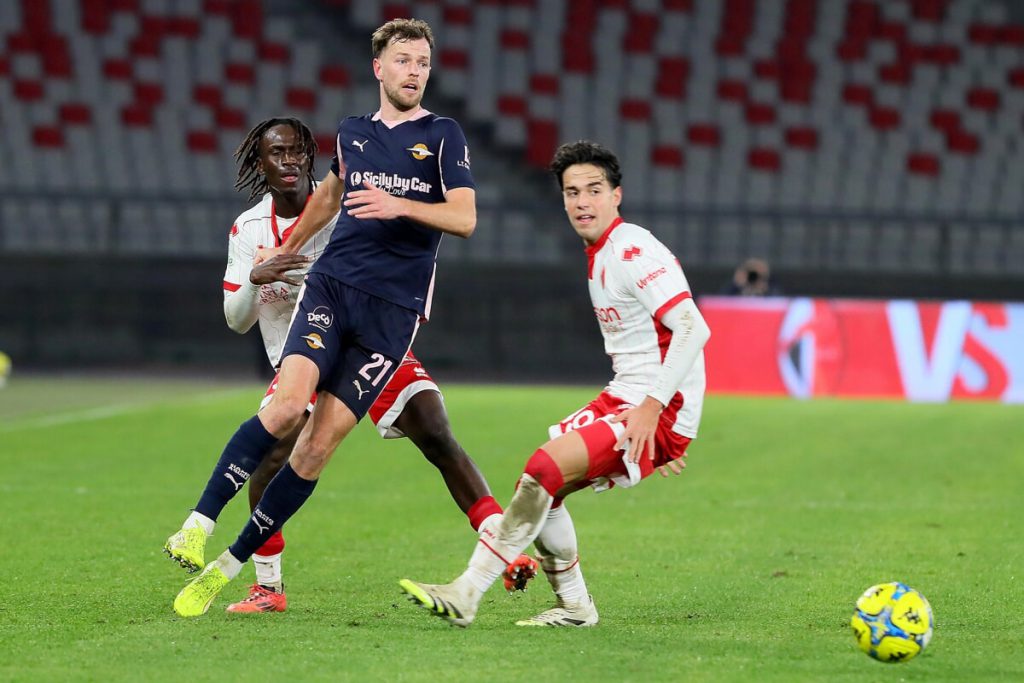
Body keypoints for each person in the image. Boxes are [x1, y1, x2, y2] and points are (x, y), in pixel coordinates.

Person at [167, 18, 531, 617]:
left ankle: (229, 567)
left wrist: (398, 204)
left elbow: (465, 218)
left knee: (327, 449)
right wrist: (287, 249)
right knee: (285, 413)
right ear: (379, 68)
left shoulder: (443, 135)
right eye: (404, 60)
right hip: (333, 291)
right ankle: (199, 528)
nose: (415, 71)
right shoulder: (354, 133)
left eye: (423, 62)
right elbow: (331, 195)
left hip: (391, 316)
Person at [399, 140, 711, 627]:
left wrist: (659, 413)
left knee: (544, 468)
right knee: (541, 486)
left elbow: (693, 327)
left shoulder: (631, 249)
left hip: (652, 405)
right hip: (631, 396)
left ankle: (467, 591)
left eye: (594, 190)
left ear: (616, 195)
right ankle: (575, 607)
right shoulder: (601, 253)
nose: (582, 202)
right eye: (572, 192)